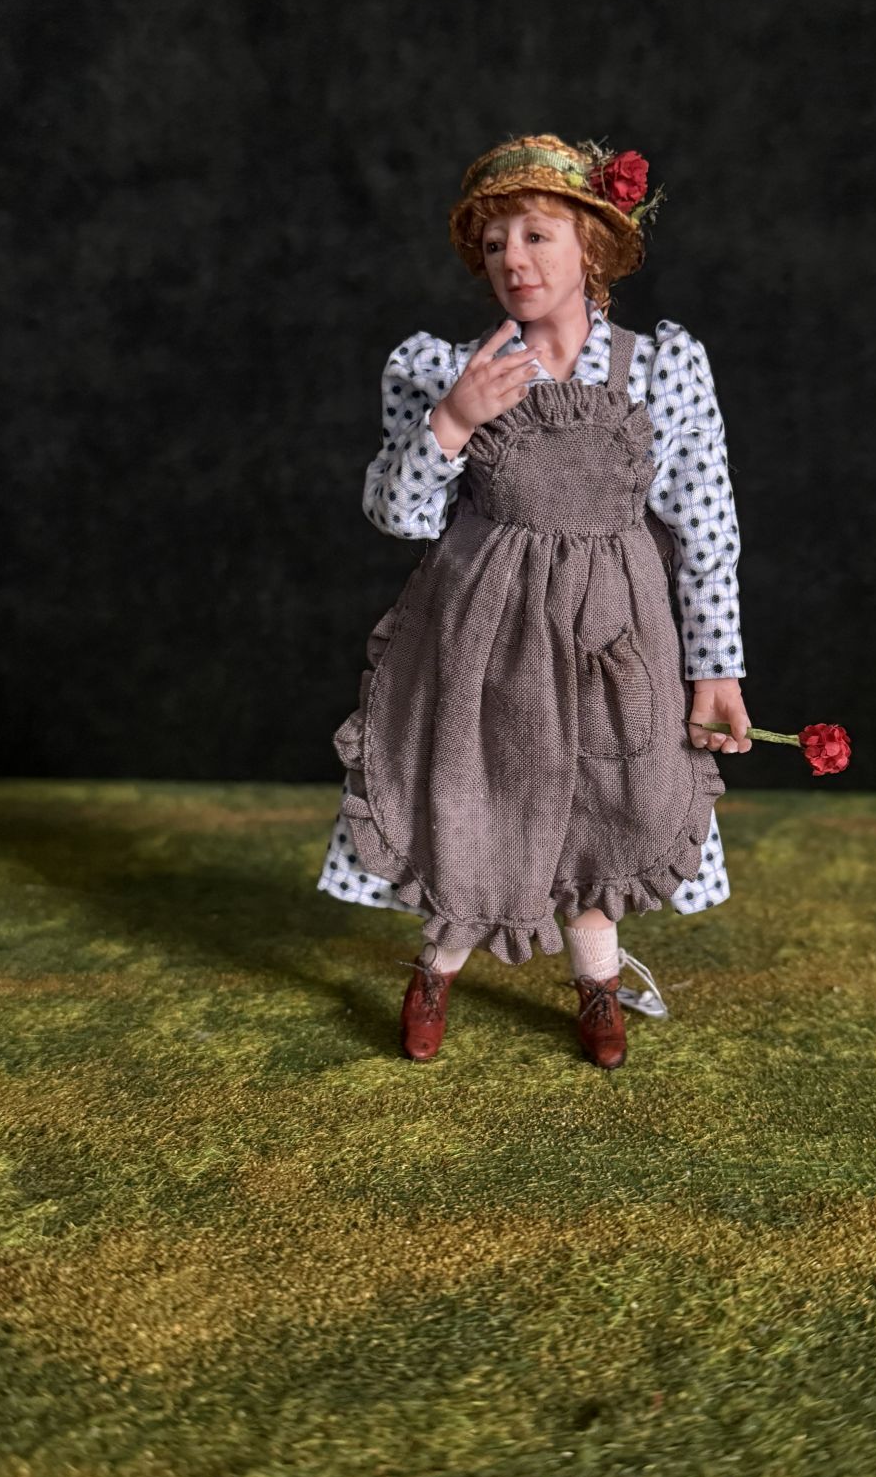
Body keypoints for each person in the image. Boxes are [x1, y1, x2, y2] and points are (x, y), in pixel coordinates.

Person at [317, 131, 753, 1069]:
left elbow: (705, 525)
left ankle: (597, 982)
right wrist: (454, 421)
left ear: (589, 246)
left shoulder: (661, 367)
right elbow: (398, 514)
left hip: (614, 630)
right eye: (493, 243)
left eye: (537, 235)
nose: (513, 259)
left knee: (608, 791)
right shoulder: (448, 369)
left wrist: (717, 670)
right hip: (486, 629)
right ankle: (437, 968)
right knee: (481, 784)